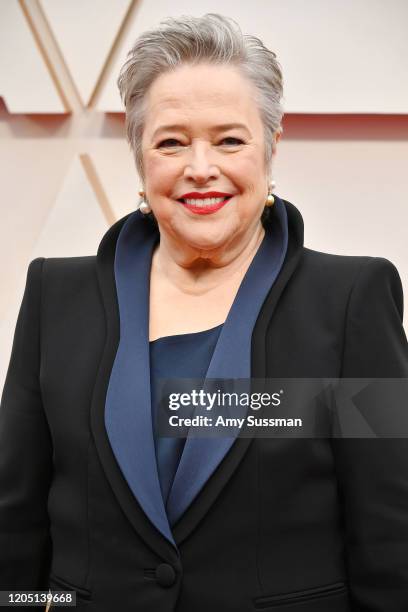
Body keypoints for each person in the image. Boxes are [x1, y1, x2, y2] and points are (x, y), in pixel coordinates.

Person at [1, 13, 408, 612]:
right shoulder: (55, 298)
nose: (200, 167)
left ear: (270, 147)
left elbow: (390, 537)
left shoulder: (350, 301)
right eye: (170, 141)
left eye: (229, 139)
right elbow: (15, 529)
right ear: (141, 161)